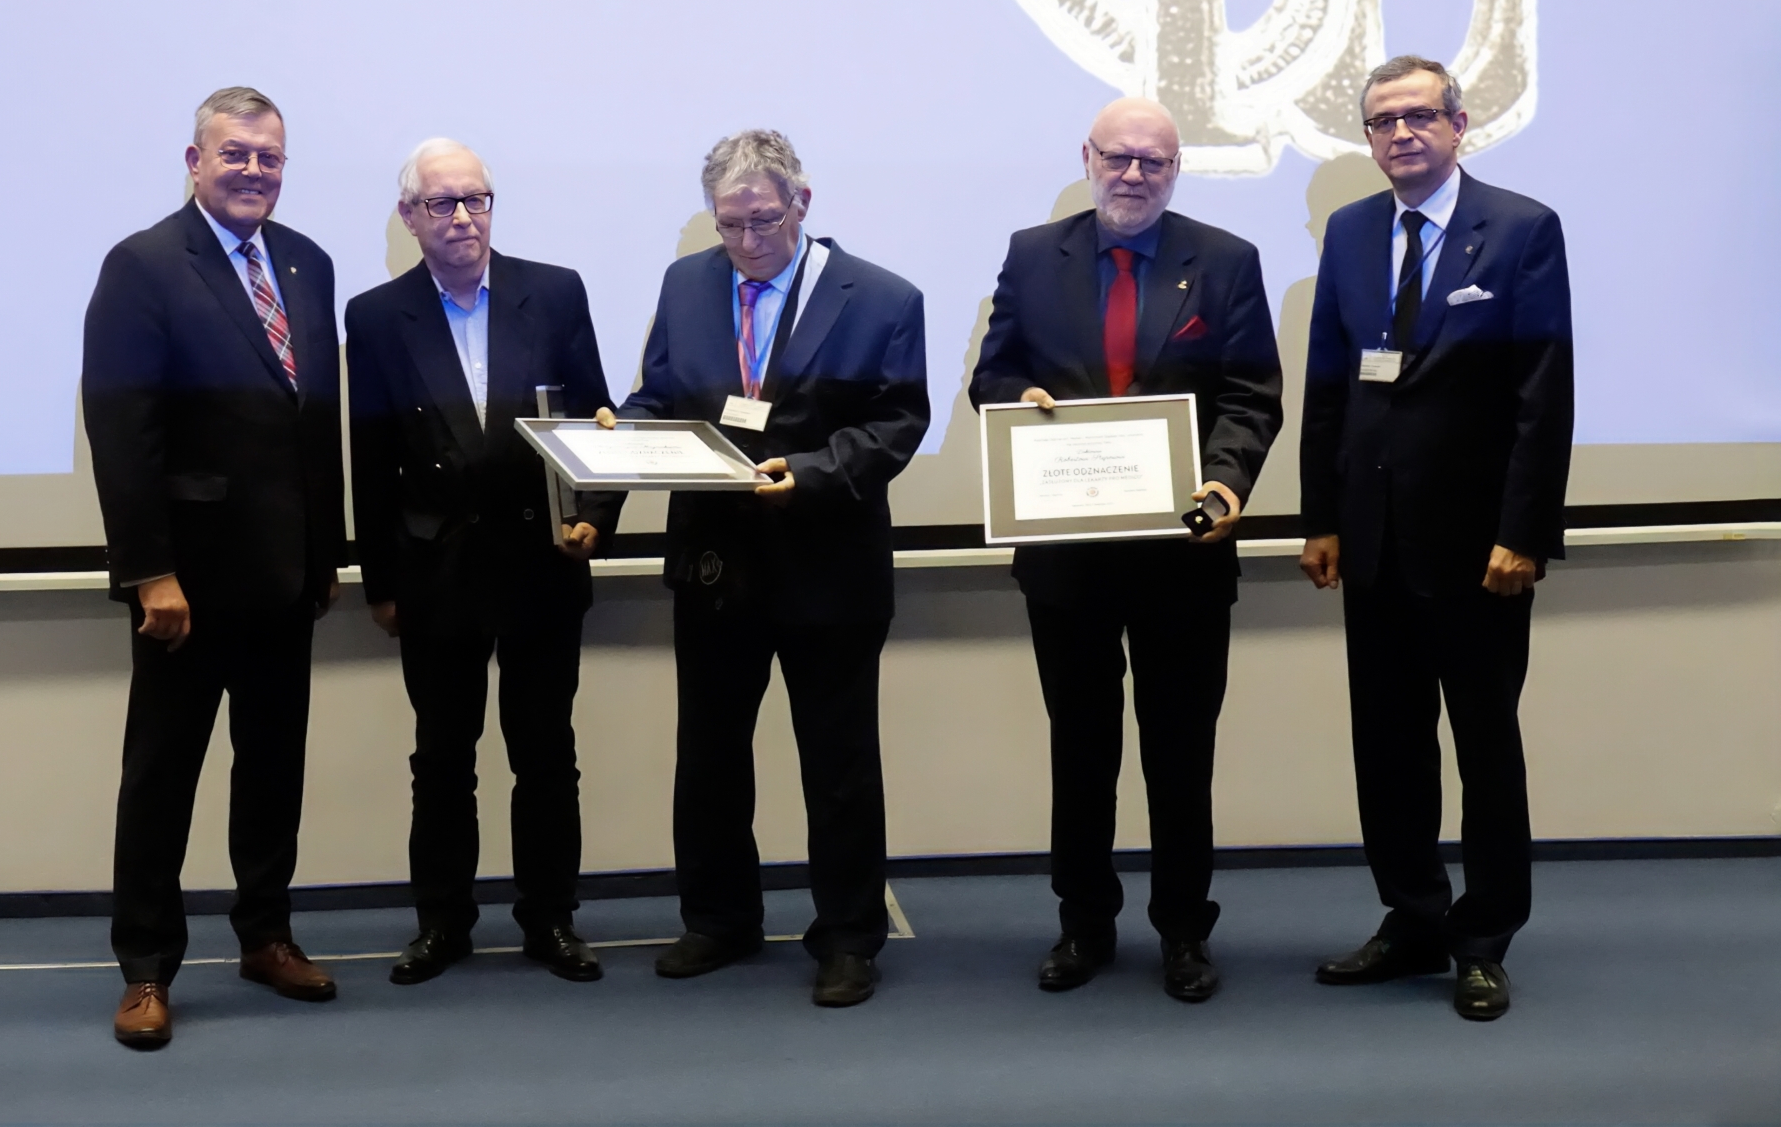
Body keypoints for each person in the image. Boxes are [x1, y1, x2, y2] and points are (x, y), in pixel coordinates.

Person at [597, 129, 929, 1007]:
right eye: (729, 224)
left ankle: (848, 936)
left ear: (802, 204)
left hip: (829, 566)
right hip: (715, 564)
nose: (746, 242)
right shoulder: (686, 283)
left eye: (764, 221)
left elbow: (898, 424)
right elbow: (659, 395)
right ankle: (719, 919)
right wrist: (617, 443)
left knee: (839, 764)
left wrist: (810, 474)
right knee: (708, 756)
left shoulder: (883, 298)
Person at [969, 97, 1283, 1001]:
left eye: (1153, 161)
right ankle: (1084, 925)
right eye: (1119, 158)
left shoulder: (1224, 260)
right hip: (1067, 560)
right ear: (1088, 157)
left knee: (1180, 758)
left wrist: (1225, 483)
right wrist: (1018, 399)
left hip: (1183, 556)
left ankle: (1184, 931)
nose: (1134, 175)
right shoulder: (1035, 254)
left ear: (1175, 170)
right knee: (1082, 753)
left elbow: (1250, 394)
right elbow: (992, 375)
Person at [1299, 55, 1573, 1021]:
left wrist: (1523, 532)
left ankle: (1484, 938)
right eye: (1383, 122)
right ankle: (1413, 917)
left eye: (1420, 116)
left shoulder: (1522, 229)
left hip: (1479, 552)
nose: (1402, 133)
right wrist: (1321, 517)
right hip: (1371, 541)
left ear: (1460, 125)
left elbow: (1544, 395)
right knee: (1389, 747)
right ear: (1368, 139)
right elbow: (1329, 383)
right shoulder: (1351, 231)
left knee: (1486, 749)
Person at [82, 87, 346, 1049]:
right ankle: (146, 968)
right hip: (185, 589)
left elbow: (316, 425)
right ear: (195, 161)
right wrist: (149, 572)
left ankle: (265, 936)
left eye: (269, 156)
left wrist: (327, 555)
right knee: (162, 780)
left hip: (285, 578)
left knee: (273, 771)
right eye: (235, 153)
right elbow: (122, 430)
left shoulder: (307, 263)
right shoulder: (144, 265)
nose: (253, 171)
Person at [345, 139, 624, 986]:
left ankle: (552, 919)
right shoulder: (375, 315)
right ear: (410, 217)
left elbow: (599, 424)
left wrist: (595, 521)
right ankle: (442, 924)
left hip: (542, 562)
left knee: (546, 755)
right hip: (436, 571)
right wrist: (382, 584)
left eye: (477, 200)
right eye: (442, 203)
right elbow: (370, 460)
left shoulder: (555, 292)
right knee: (441, 759)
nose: (463, 218)